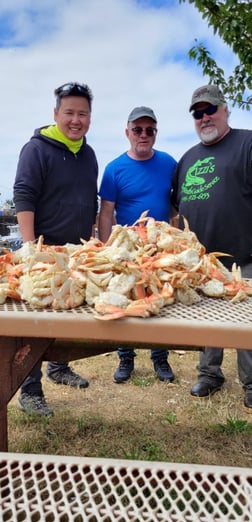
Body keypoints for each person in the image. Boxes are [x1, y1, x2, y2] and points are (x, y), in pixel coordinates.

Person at [13, 81, 98, 416]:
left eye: (83, 114)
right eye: (70, 113)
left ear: (90, 117)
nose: (76, 120)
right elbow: (24, 195)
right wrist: (30, 247)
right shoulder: (36, 149)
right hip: (43, 252)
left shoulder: (88, 154)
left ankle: (59, 367)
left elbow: (89, 200)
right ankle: (29, 391)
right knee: (36, 321)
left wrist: (92, 240)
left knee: (69, 314)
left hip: (77, 253)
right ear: (56, 114)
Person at [171, 83, 252, 411]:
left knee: (247, 323)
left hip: (245, 257)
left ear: (225, 110)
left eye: (210, 110)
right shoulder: (187, 158)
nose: (204, 118)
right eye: (197, 113)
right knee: (207, 320)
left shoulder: (247, 143)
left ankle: (251, 381)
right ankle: (210, 374)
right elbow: (177, 206)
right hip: (203, 264)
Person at [98, 106, 177, 384]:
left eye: (149, 130)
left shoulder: (169, 163)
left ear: (155, 133)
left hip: (159, 249)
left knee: (159, 301)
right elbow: (106, 212)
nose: (143, 135)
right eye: (137, 129)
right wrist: (107, 248)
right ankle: (125, 357)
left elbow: (176, 207)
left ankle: (160, 358)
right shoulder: (114, 169)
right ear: (127, 132)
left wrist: (175, 243)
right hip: (126, 249)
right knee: (125, 299)